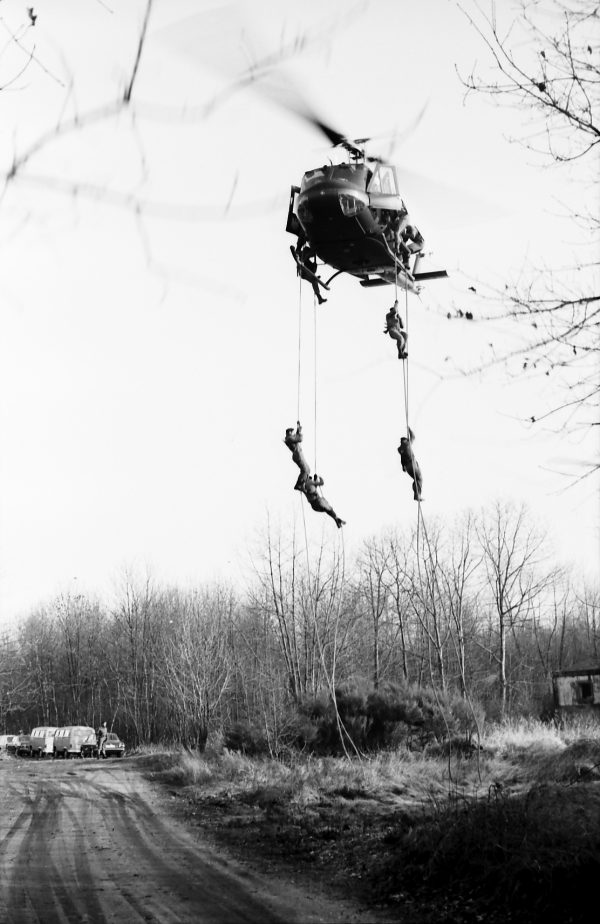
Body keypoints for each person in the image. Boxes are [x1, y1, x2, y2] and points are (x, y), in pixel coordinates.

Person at [397, 427, 423, 501]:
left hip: (407, 467)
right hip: (412, 464)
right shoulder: (408, 443)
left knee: (416, 479)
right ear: (405, 440)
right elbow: (413, 436)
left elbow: (402, 458)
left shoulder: (400, 449)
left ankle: (416, 494)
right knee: (419, 478)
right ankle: (417, 495)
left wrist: (403, 467)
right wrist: (409, 429)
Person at [284, 421, 311, 491]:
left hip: (298, 454)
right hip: (297, 454)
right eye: (291, 432)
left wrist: (298, 428)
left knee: (307, 469)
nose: (293, 433)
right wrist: (299, 431)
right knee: (305, 470)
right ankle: (299, 484)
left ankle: (303, 483)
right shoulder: (289, 438)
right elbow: (299, 439)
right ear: (289, 433)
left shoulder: (289, 438)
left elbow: (296, 437)